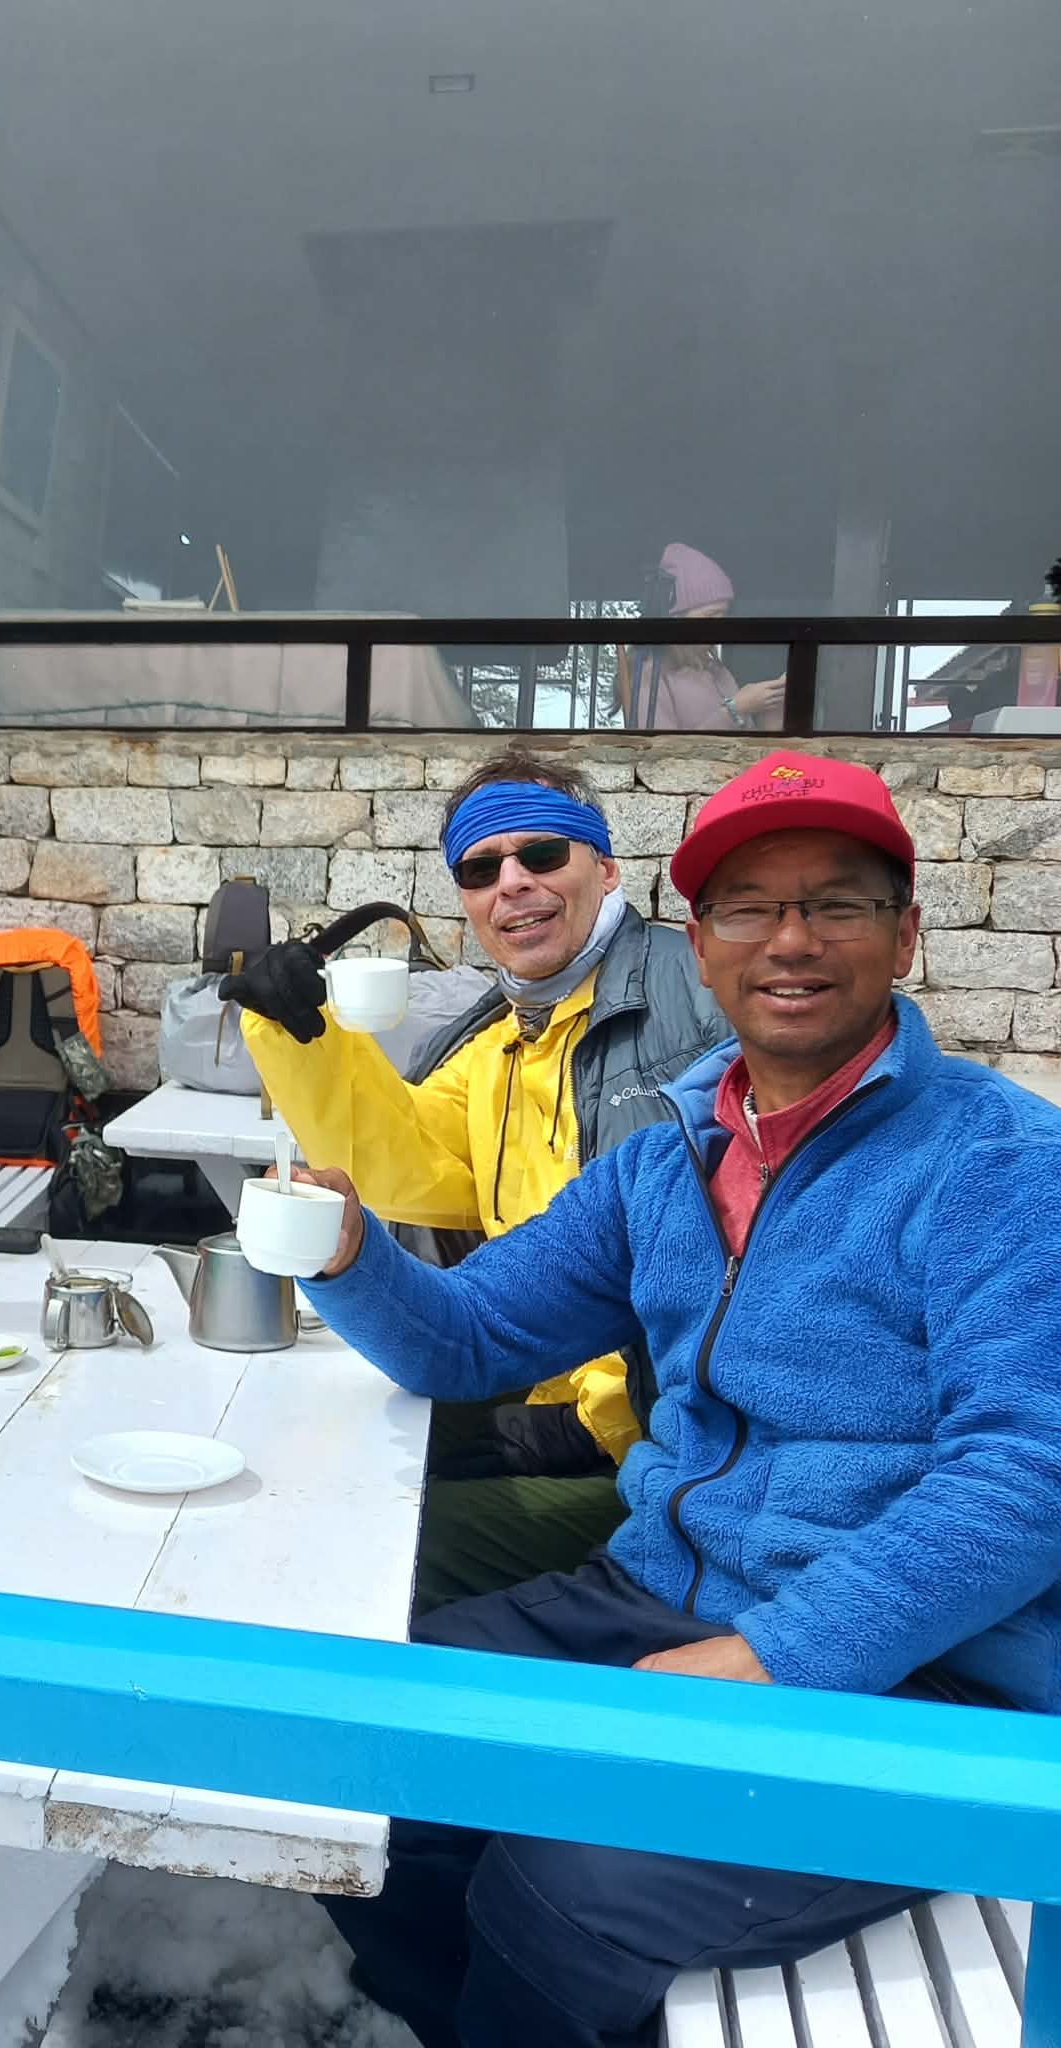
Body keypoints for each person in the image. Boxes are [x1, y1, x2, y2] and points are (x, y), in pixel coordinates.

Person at [294, 751, 1061, 2048]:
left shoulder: (1001, 1162)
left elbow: (1027, 1472)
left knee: (564, 1885)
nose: (790, 940)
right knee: (359, 1751)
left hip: (927, 1677)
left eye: (838, 902)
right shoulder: (665, 1162)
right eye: (748, 907)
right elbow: (470, 1337)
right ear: (699, 946)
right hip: (654, 1593)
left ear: (905, 935)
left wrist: (776, 1655)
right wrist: (348, 1253)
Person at [222, 749, 726, 1608]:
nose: (512, 883)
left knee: (366, 1551)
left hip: (674, 1450)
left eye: (542, 855)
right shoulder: (502, 1037)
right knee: (306, 1466)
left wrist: (604, 1419)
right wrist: (301, 1033)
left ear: (606, 869)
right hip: (547, 1383)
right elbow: (407, 1166)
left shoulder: (708, 1004)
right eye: (481, 869)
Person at [619, 543, 786, 732]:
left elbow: (742, 743)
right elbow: (658, 747)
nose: (719, 626)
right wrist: (734, 710)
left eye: (723, 616)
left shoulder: (719, 672)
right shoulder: (650, 677)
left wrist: (771, 718)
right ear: (676, 618)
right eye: (710, 616)